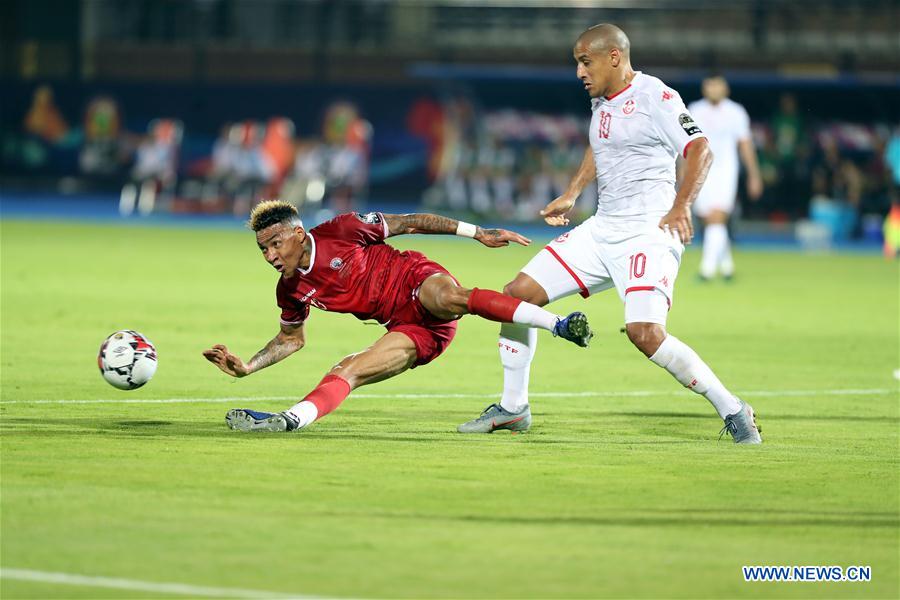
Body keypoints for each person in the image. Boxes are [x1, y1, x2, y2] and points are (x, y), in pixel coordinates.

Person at [457, 24, 761, 443]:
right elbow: (598, 146)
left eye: (586, 61)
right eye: (577, 63)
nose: (580, 72)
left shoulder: (657, 96)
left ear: (614, 57)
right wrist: (572, 192)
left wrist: (681, 205)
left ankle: (733, 409)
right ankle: (513, 408)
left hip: (649, 231)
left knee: (645, 334)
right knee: (516, 295)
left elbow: (700, 148)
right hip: (602, 230)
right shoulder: (602, 101)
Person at [203, 200, 593, 432]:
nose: (270, 256)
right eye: (263, 250)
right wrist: (248, 367)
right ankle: (289, 420)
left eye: (275, 244)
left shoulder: (341, 228)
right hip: (411, 330)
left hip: (417, 277)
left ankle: (558, 324)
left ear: (299, 234)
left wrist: (477, 233)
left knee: (450, 297)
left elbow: (412, 223)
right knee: (348, 369)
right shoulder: (290, 289)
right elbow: (291, 338)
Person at [688, 74, 763, 280]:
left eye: (718, 85)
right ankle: (727, 266)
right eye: (710, 85)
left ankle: (707, 270)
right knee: (708, 219)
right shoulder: (694, 110)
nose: (714, 89)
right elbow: (686, 143)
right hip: (700, 169)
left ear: (725, 88)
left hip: (725, 170)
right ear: (705, 88)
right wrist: (682, 169)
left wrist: (754, 175)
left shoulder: (735, 112)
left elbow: (745, 144)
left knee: (717, 216)